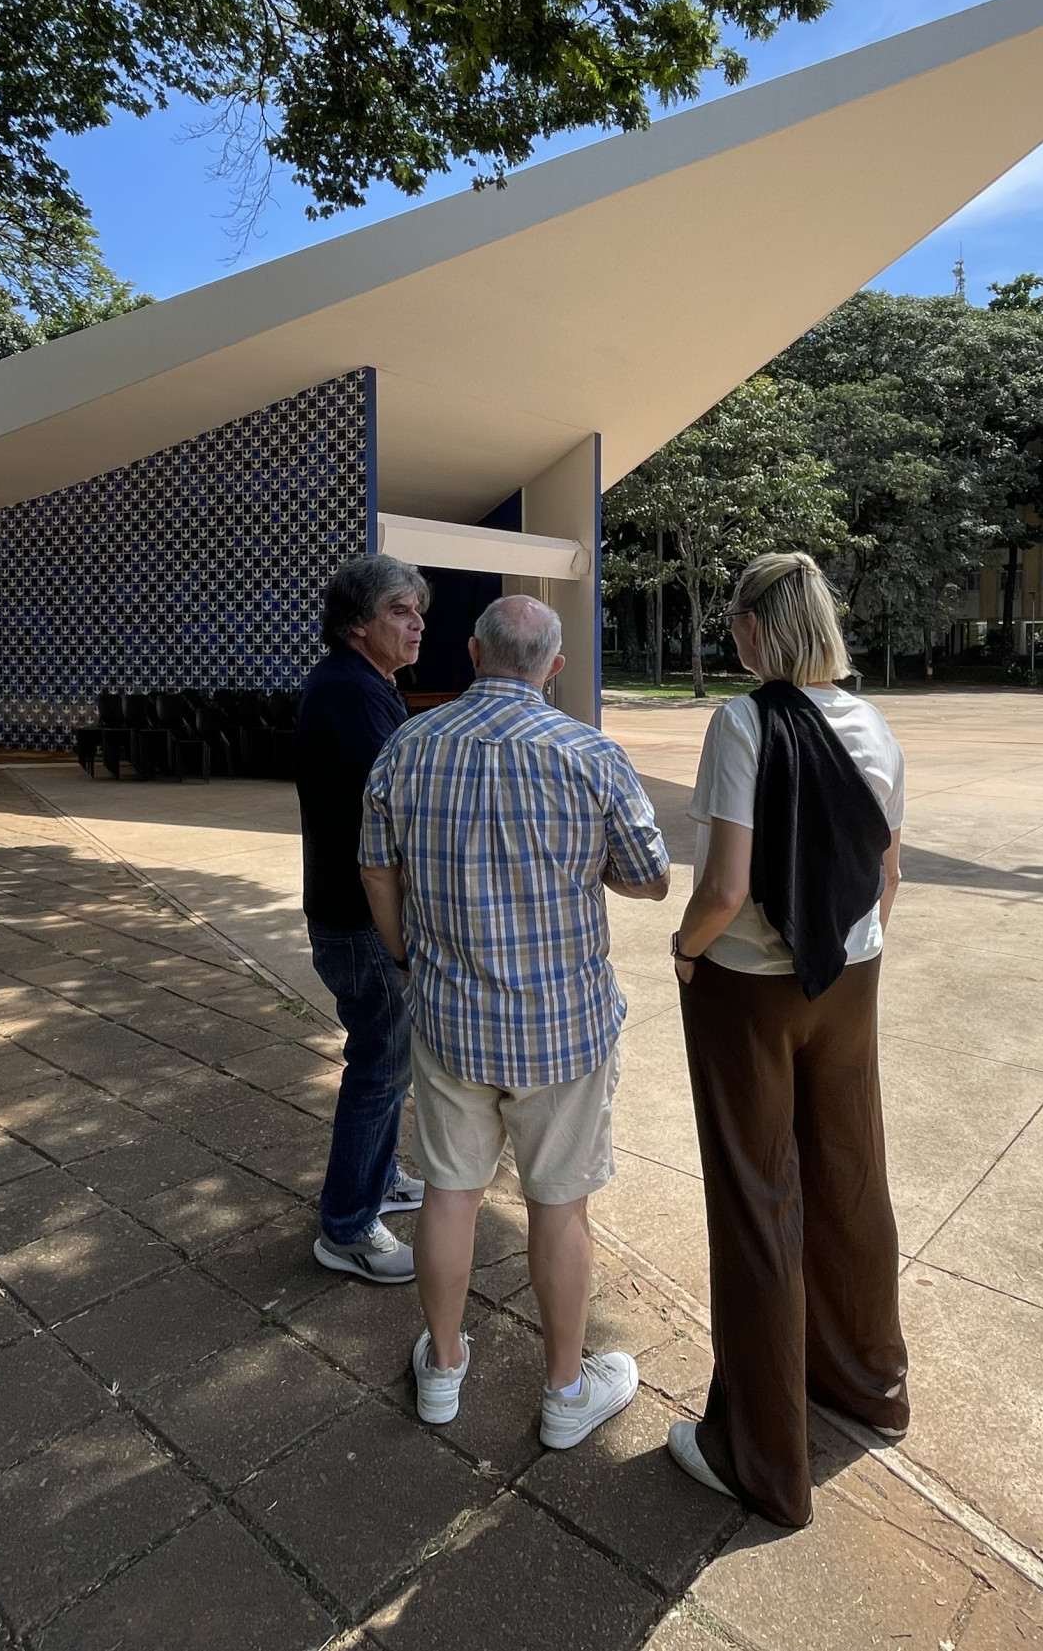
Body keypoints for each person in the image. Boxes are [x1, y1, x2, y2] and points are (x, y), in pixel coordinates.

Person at [358, 595, 671, 1449]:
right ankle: (567, 1388)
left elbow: (376, 872)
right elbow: (650, 877)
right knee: (560, 1206)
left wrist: (405, 955)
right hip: (564, 1029)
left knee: (450, 1193)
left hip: (451, 1016)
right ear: (554, 667)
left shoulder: (407, 747)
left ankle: (446, 1368)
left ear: (471, 651)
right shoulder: (591, 755)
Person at [662, 551, 909, 1528]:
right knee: (850, 1178)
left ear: (761, 628)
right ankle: (866, 1384)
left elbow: (724, 888)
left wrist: (684, 953)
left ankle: (761, 1458)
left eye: (735, 621)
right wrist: (853, 949)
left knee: (756, 1202)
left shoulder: (742, 721)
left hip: (751, 986)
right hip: (852, 973)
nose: (731, 637)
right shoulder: (875, 722)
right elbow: (888, 871)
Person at [296, 553, 432, 1283]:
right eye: (400, 611)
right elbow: (391, 814)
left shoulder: (366, 686)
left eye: (419, 613)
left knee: (389, 1059)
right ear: (358, 623)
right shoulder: (348, 695)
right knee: (379, 1065)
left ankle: (377, 1180)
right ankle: (347, 1225)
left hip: (360, 912)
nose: (416, 626)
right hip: (360, 918)